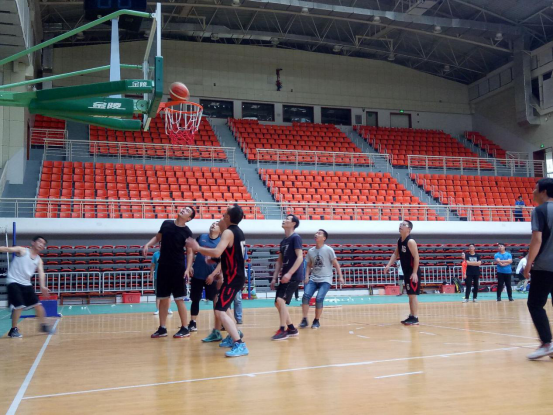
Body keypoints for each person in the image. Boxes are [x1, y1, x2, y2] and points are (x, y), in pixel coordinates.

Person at [186, 204, 249, 357]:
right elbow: (229, 255)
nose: (222, 215)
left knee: (219, 310)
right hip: (234, 276)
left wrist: (198, 247)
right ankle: (232, 335)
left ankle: (239, 344)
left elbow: (217, 251)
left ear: (228, 217)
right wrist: (214, 261)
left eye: (225, 213)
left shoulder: (228, 232)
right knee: (225, 308)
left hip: (234, 278)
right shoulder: (238, 232)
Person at [143, 206, 195, 339]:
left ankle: (185, 328)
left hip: (177, 268)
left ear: (188, 218)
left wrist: (187, 268)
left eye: (187, 211)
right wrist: (148, 245)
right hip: (163, 266)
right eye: (184, 208)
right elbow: (157, 237)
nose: (183, 210)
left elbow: (189, 252)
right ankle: (162, 328)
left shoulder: (187, 232)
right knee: (163, 298)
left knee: (179, 299)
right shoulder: (166, 224)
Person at [0, 236, 54, 338]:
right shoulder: (22, 250)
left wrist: (42, 286)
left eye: (43, 244)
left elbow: (41, 273)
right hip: (13, 281)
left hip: (26, 283)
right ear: (33, 242)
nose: (41, 244)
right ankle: (13, 330)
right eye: (39, 242)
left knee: (38, 305)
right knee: (19, 305)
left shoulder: (38, 260)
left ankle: (43, 325)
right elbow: (7, 249)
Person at [524, 178, 553, 360]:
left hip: (544, 267)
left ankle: (546, 343)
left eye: (535, 188)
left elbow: (537, 240)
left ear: (543, 191)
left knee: (535, 304)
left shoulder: (540, 210)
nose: (533, 192)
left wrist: (528, 265)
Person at [299, 229, 344, 329]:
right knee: (306, 296)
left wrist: (340, 276)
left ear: (324, 238)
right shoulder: (311, 251)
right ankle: (304, 319)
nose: (316, 234)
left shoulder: (328, 250)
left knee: (319, 298)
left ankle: (316, 320)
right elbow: (308, 265)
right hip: (313, 278)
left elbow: (336, 264)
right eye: (316, 233)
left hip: (326, 279)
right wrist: (306, 276)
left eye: (319, 233)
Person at [270, 214, 303, 341]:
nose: (284, 220)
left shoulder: (296, 238)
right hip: (285, 275)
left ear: (293, 224)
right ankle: (292, 328)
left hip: (293, 275)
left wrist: (289, 274)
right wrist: (274, 278)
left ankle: (283, 330)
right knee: (277, 303)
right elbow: (279, 261)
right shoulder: (283, 241)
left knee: (281, 300)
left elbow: (300, 257)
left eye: (287, 219)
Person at [384, 220, 420, 325]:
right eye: (400, 224)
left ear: (409, 229)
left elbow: (417, 257)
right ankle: (411, 315)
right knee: (410, 294)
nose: (400, 226)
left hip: (413, 271)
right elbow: (395, 254)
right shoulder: (400, 240)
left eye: (403, 225)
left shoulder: (411, 241)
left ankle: (415, 318)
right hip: (406, 271)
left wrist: (414, 273)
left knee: (412, 295)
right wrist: (388, 265)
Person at [188, 221, 222, 332]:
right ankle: (192, 323)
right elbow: (192, 250)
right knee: (195, 299)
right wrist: (190, 266)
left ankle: (219, 322)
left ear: (220, 230)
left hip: (211, 276)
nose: (213, 225)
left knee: (216, 299)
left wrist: (212, 275)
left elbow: (222, 262)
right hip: (197, 274)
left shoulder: (221, 242)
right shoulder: (202, 237)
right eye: (212, 223)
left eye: (216, 224)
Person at [150, 244, 173, 316]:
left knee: (168, 294)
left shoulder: (169, 253)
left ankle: (168, 309)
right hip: (158, 277)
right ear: (159, 245)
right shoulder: (155, 254)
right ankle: (157, 309)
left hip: (167, 277)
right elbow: (153, 265)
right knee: (158, 294)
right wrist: (151, 274)